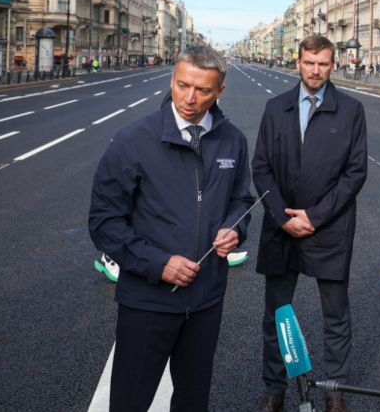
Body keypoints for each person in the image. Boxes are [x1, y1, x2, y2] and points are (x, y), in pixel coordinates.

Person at [88, 44, 255, 411]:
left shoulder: (233, 140)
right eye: (182, 85)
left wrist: (234, 229)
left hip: (206, 300)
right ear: (172, 80)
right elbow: (104, 222)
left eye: (203, 90)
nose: (189, 99)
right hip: (147, 300)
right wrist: (158, 263)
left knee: (193, 402)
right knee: (130, 402)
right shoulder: (133, 140)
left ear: (220, 91)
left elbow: (242, 202)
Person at [253, 35, 368, 412]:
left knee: (335, 315)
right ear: (298, 63)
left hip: (329, 229)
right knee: (276, 315)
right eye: (309, 63)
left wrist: (315, 216)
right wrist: (281, 216)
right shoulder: (276, 107)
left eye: (323, 64)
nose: (316, 71)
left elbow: (355, 173)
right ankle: (275, 389)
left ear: (332, 64)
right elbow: (261, 167)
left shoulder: (351, 110)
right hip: (282, 227)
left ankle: (334, 390)